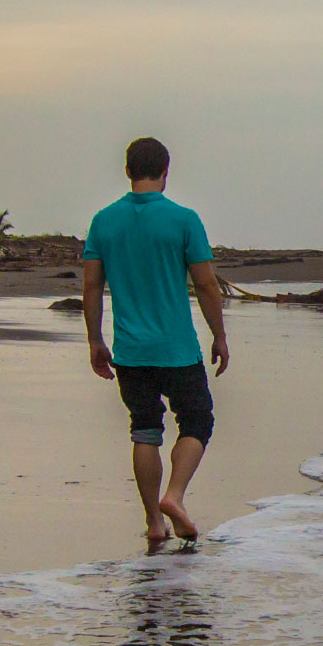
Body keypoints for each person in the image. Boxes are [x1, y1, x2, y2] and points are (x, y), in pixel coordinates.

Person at [83, 136, 229, 548]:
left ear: (128, 171)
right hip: (177, 349)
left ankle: (153, 521)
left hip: (130, 351)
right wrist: (219, 335)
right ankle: (175, 495)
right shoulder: (184, 219)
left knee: (145, 430)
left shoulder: (103, 221)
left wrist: (94, 340)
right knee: (198, 420)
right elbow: (205, 284)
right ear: (166, 171)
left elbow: (92, 286)